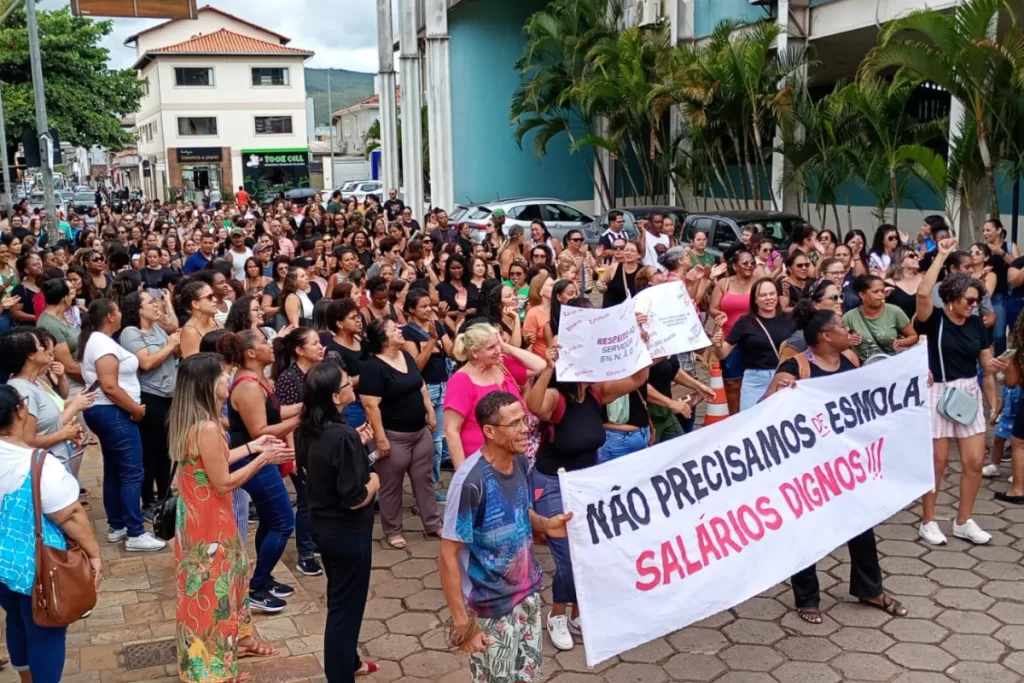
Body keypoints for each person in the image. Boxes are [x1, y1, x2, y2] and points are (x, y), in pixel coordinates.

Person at [764, 303, 908, 624]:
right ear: (827, 336)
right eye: (843, 327)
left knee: (861, 526)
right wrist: (777, 391)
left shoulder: (851, 360)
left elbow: (871, 397)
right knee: (807, 532)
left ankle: (869, 589)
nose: (849, 331)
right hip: (807, 471)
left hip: (845, 466)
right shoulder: (795, 366)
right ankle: (807, 598)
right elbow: (763, 414)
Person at [170, 354, 288, 683]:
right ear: (208, 384)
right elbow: (223, 481)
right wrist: (264, 458)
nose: (228, 382)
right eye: (223, 377)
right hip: (208, 524)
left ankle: (238, 640)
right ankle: (210, 671)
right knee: (212, 593)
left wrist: (252, 448)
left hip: (202, 519)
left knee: (227, 581)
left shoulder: (195, 421)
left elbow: (216, 461)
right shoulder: (207, 426)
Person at [439, 391, 572, 683]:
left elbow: (520, 510)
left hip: (527, 596)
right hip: (490, 609)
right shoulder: (470, 482)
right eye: (514, 423)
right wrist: (463, 624)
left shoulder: (520, 460)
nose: (525, 428)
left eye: (524, 419)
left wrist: (547, 524)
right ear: (489, 431)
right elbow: (448, 554)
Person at [526, 338, 649, 651]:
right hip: (552, 482)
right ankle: (556, 616)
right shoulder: (557, 397)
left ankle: (578, 615)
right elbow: (534, 406)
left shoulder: (597, 393)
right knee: (568, 557)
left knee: (590, 552)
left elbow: (638, 378)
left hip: (587, 483)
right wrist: (547, 368)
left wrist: (639, 345)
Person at [0, 384, 102, 683]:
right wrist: (94, 554)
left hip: (3, 565)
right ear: (20, 412)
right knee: (45, 630)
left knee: (16, 619)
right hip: (36, 567)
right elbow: (69, 514)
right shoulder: (39, 465)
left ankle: (25, 679)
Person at [916, 238, 1002, 546]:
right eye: (968, 299)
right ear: (951, 298)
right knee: (937, 462)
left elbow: (985, 364)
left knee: (975, 461)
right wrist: (939, 255)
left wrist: (996, 371)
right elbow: (924, 292)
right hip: (937, 391)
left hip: (967, 392)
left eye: (977, 300)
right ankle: (928, 520)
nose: (973, 304)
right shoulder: (935, 319)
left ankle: (963, 521)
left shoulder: (977, 323)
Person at [298, 363, 380, 681]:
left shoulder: (309, 429)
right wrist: (373, 481)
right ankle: (340, 672)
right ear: (335, 396)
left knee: (341, 598)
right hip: (348, 534)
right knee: (345, 611)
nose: (352, 386)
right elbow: (355, 496)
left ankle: (350, 661)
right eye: (347, 383)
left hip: (324, 528)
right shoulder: (341, 435)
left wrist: (356, 446)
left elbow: (324, 465)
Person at [223, 329, 302, 611]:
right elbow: (260, 430)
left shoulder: (260, 380)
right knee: (284, 521)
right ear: (251, 353)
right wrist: (303, 418)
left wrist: (310, 404)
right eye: (265, 342)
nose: (272, 346)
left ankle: (264, 577)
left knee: (270, 519)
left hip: (263, 456)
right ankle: (256, 587)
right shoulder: (247, 386)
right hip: (253, 459)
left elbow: (275, 413)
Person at [80, 299, 166, 551]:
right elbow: (109, 386)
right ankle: (135, 533)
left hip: (108, 411)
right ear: (109, 316)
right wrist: (135, 408)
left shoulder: (100, 341)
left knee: (116, 470)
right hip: (113, 411)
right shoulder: (102, 344)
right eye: (117, 311)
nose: (120, 315)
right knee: (132, 472)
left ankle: (118, 524)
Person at [359, 316, 441, 549]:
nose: (400, 331)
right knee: (391, 486)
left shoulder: (405, 356)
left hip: (419, 433)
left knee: (424, 480)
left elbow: (420, 385)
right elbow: (371, 407)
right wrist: (381, 438)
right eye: (394, 329)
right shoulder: (372, 367)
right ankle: (393, 530)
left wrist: (430, 412)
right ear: (383, 339)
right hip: (393, 437)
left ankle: (433, 523)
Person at [444, 323, 547, 469]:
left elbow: (540, 366)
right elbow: (451, 430)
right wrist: (462, 472)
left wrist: (507, 348)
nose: (498, 351)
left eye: (498, 345)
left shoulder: (500, 365)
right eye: (491, 348)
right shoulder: (461, 380)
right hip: (482, 460)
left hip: (513, 455)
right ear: (474, 353)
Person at [118, 291, 181, 518]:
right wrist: (171, 344)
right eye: (150, 302)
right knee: (150, 451)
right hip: (149, 395)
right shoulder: (130, 333)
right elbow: (145, 362)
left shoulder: (157, 328)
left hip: (168, 395)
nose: (156, 305)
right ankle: (148, 501)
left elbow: (173, 330)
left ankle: (165, 494)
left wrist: (168, 306)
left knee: (166, 449)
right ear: (138, 309)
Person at [271, 328, 326, 578]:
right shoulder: (288, 378)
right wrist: (292, 453)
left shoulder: (317, 372)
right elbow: (286, 419)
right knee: (305, 500)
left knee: (317, 497)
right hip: (299, 445)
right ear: (299, 350)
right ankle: (305, 555)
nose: (320, 347)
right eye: (314, 343)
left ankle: (314, 541)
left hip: (318, 442)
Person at [402, 289, 455, 500]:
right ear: (411, 309)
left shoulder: (437, 325)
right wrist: (432, 341)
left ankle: (431, 486)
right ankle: (420, 487)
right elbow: (416, 365)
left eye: (428, 306)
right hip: (424, 389)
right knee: (423, 442)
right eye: (422, 306)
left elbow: (451, 352)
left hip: (443, 386)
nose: (427, 310)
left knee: (437, 442)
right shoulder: (407, 332)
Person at [712, 277, 793, 412]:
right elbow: (723, 353)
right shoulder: (744, 322)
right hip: (755, 380)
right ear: (754, 300)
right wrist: (718, 345)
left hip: (783, 377)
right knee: (751, 422)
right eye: (763, 295)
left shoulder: (790, 320)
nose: (768, 298)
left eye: (772, 294)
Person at [708, 248, 757, 414]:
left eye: (752, 263)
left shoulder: (759, 283)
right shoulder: (724, 283)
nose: (750, 266)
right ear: (735, 266)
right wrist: (718, 314)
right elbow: (712, 308)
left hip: (754, 338)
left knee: (753, 380)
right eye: (745, 263)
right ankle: (735, 418)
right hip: (730, 339)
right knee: (732, 383)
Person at [843, 275, 918, 362]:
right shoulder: (849, 317)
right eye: (875, 292)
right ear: (862, 295)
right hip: (864, 367)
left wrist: (900, 342)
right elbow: (837, 343)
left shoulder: (894, 311)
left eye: (882, 291)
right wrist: (848, 340)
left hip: (891, 363)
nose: (881, 295)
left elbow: (914, 336)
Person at [178, 279, 222, 357]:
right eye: (210, 297)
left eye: (214, 295)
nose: (215, 300)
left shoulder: (217, 323)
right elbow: (193, 365)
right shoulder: (190, 332)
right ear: (195, 304)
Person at [597, 239, 639, 308]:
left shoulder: (640, 269)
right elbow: (601, 283)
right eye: (615, 248)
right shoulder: (611, 267)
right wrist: (601, 286)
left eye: (621, 247)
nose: (618, 250)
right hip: (613, 310)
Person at [884, 247, 923, 320]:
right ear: (900, 263)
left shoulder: (924, 280)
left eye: (916, 256)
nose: (915, 258)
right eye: (911, 256)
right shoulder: (887, 283)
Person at [523, 273, 553, 358]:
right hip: (543, 362)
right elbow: (528, 345)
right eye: (551, 285)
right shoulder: (533, 313)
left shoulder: (558, 308)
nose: (555, 287)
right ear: (540, 291)